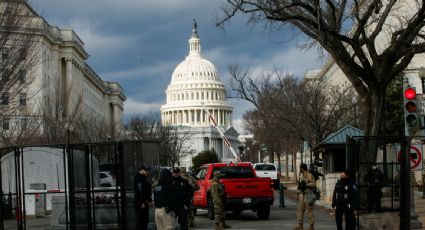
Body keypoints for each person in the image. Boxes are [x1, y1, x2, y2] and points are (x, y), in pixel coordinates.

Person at [294, 163, 316, 230]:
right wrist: (298, 193)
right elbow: (300, 185)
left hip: (308, 194)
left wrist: (306, 184)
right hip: (302, 195)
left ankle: (311, 226)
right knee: (300, 210)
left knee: (309, 211)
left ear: (302, 169)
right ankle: (300, 225)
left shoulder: (309, 175)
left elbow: (313, 184)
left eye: (300, 168)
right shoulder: (301, 176)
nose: (300, 170)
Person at [134, 165, 154, 230]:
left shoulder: (143, 177)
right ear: (141, 170)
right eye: (146, 170)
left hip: (144, 202)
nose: (147, 172)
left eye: (148, 170)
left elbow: (146, 191)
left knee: (145, 220)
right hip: (141, 203)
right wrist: (141, 202)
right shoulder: (139, 178)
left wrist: (149, 200)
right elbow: (140, 191)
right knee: (141, 221)